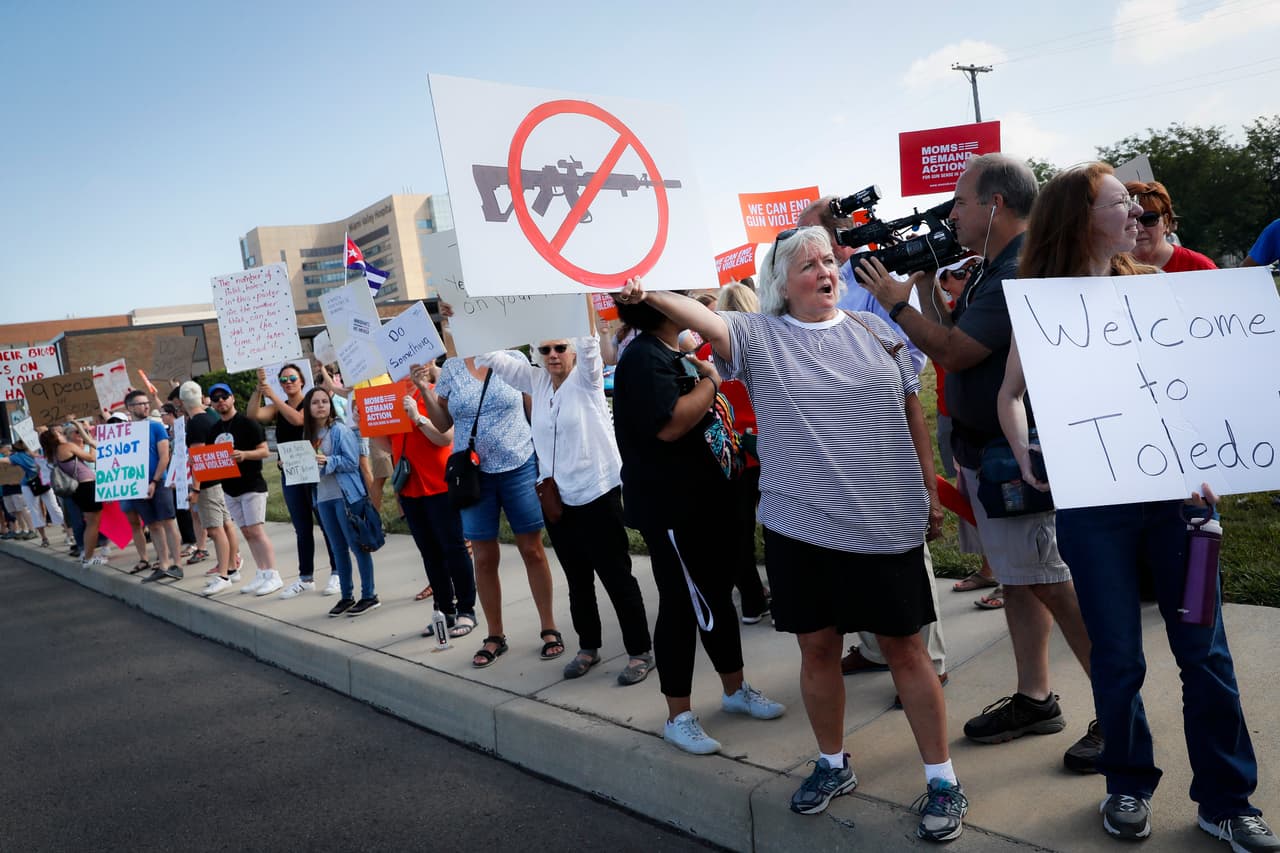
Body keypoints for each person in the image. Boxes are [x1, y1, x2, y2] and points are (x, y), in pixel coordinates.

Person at [619, 224, 969, 842]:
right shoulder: (761, 337)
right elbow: (705, 317)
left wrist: (926, 487)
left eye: (829, 261)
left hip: (884, 526)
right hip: (799, 532)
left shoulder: (878, 332)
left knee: (906, 652)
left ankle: (942, 778)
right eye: (808, 264)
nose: (825, 271)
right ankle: (833, 764)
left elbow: (912, 410)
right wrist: (647, 290)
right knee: (817, 650)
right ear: (781, 283)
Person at [998, 163, 1277, 850]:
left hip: (1182, 512)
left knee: (1203, 652)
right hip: (1096, 513)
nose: (1138, 213)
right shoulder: (1043, 302)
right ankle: (1126, 784)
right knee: (1118, 656)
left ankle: (1227, 799)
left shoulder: (1151, 288)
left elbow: (1199, 389)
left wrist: (1214, 459)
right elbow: (1011, 392)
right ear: (1080, 218)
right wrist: (1025, 450)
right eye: (1121, 203)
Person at [856, 153, 1100, 772]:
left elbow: (959, 355)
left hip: (1013, 461)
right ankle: (1035, 697)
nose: (951, 216)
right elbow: (953, 337)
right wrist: (929, 298)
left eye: (960, 203)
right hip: (989, 456)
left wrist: (896, 303)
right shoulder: (993, 269)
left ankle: (1117, 707)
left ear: (995, 205)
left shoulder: (1020, 269)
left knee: (1049, 578)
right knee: (1021, 580)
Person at [610, 288, 786, 763]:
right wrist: (710, 381)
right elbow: (671, 423)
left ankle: (735, 689)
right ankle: (677, 716)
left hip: (707, 504)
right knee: (681, 607)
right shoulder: (644, 358)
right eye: (676, 296)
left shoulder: (671, 351)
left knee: (715, 597)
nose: (686, 301)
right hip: (674, 509)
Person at [796, 197, 948, 691]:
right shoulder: (816, 287)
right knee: (852, 546)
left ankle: (930, 661)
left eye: (809, 236)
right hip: (836, 441)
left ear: (835, 236)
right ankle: (872, 648)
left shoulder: (875, 275)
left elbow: (913, 363)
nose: (801, 248)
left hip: (884, 431)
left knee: (904, 551)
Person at [477, 323, 654, 685]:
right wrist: (461, 321)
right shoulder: (538, 382)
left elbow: (591, 348)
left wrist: (582, 304)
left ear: (571, 350)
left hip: (597, 494)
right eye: (545, 350)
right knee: (577, 578)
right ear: (536, 355)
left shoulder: (587, 382)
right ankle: (588, 646)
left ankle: (640, 650)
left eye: (560, 347)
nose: (553, 355)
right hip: (557, 500)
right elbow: (491, 358)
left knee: (615, 575)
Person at [420, 352, 563, 668]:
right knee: (483, 557)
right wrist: (424, 389)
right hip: (472, 477)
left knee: (533, 550)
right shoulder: (453, 369)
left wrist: (547, 463)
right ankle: (495, 635)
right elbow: (443, 423)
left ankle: (549, 627)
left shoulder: (511, 358)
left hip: (519, 466)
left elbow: (534, 411)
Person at [395, 361, 478, 638]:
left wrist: (417, 417)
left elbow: (445, 438)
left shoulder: (433, 392)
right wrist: (366, 423)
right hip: (410, 489)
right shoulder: (389, 398)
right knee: (430, 553)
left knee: (453, 548)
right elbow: (387, 445)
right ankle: (444, 610)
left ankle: (466, 609)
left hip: (438, 485)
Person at [248, 364, 338, 598]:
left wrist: (273, 397)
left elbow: (298, 420)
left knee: (326, 523)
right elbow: (253, 416)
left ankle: (337, 573)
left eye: (292, 378)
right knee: (302, 528)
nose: (287, 382)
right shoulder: (277, 406)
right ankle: (306, 577)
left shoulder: (309, 402)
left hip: (314, 473)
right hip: (290, 474)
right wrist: (260, 390)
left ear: (301, 381)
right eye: (283, 379)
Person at [712, 283, 771, 625]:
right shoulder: (768, 347)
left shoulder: (707, 352)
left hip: (730, 453)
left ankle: (751, 600)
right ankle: (784, 600)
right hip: (768, 446)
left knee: (738, 530)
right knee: (779, 528)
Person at [301, 387, 380, 617]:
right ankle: (346, 596)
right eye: (315, 402)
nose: (321, 405)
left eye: (325, 401)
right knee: (337, 549)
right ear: (308, 407)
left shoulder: (339, 430)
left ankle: (369, 595)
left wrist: (328, 460)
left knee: (357, 546)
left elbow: (352, 462)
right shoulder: (309, 435)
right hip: (323, 498)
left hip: (346, 496)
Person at [207, 382, 283, 596]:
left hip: (252, 484)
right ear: (212, 403)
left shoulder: (248, 423)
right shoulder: (213, 430)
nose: (221, 401)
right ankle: (262, 572)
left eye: (224, 396)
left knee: (256, 530)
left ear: (232, 398)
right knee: (247, 532)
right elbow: (211, 459)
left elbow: (265, 451)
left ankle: (273, 574)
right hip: (229, 488)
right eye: (216, 398)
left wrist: (244, 455)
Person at [180, 381, 243, 596]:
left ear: (182, 402)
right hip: (219, 479)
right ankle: (232, 568)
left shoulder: (196, 423)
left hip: (208, 484)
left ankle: (224, 574)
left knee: (216, 530)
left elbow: (197, 459)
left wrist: (195, 490)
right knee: (226, 524)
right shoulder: (210, 418)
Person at [120, 391, 183, 583]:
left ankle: (177, 564)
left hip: (159, 482)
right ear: (130, 408)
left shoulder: (156, 427)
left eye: (147, 403)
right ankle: (163, 564)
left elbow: (165, 456)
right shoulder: (124, 431)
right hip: (136, 483)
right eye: (140, 403)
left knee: (168, 521)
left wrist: (154, 482)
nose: (146, 406)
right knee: (153, 525)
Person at [40, 424, 106, 567]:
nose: (60, 433)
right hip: (86, 486)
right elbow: (91, 458)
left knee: (91, 523)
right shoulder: (66, 447)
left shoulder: (53, 453)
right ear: (54, 438)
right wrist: (92, 443)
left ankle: (88, 556)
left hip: (79, 489)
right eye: (57, 433)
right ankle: (88, 558)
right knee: (93, 523)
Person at [1124, 180, 1217, 272]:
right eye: (1129, 218)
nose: (1139, 228)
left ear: (1166, 221)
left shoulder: (1200, 267)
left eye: (1149, 218)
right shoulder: (1111, 269)